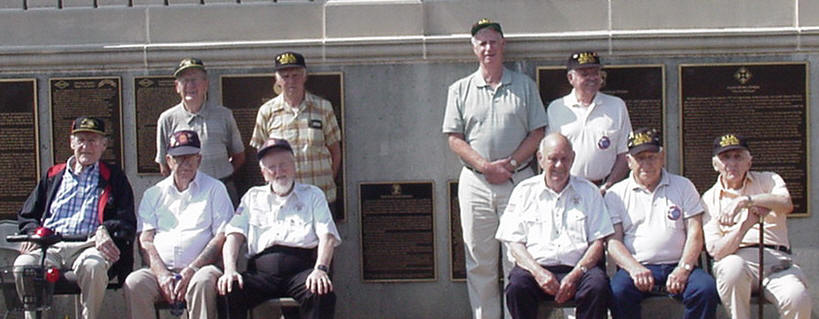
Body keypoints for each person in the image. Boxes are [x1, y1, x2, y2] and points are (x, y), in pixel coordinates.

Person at [442, 18, 547, 319]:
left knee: (517, 260)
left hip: (519, 181)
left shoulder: (524, 86)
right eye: (482, 43)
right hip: (476, 183)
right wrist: (485, 166)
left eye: (493, 41)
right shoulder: (459, 89)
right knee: (479, 262)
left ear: (503, 45)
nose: (488, 48)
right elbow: (454, 138)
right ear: (474, 48)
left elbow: (537, 132)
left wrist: (511, 164)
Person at [15, 116, 136, 319]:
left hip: (89, 246)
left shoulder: (114, 177)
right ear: (71, 143)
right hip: (50, 246)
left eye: (92, 141)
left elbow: (126, 219)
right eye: (81, 140)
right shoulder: (53, 175)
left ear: (104, 145)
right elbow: (27, 215)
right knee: (23, 266)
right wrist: (32, 234)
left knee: (93, 267)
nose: (86, 147)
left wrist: (105, 229)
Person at [218, 138, 341, 319]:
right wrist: (230, 270)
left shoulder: (313, 195)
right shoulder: (252, 197)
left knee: (321, 291)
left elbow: (327, 236)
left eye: (283, 165)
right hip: (261, 274)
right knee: (228, 289)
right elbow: (233, 236)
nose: (278, 172)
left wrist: (321, 269)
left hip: (301, 272)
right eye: (272, 167)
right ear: (263, 173)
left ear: (294, 165)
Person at [604, 128, 718, 319]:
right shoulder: (616, 194)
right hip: (636, 267)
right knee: (617, 292)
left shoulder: (683, 186)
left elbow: (695, 233)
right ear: (629, 161)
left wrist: (684, 268)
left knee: (705, 289)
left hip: (679, 264)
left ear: (662, 157)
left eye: (652, 157)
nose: (646, 164)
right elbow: (613, 242)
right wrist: (634, 268)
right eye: (640, 158)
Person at [496, 133, 612, 319]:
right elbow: (514, 243)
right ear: (540, 159)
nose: (559, 165)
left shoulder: (589, 192)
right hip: (535, 270)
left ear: (573, 158)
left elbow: (598, 242)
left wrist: (575, 274)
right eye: (553, 159)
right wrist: (538, 272)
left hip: (579, 270)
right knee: (517, 287)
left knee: (597, 286)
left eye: (564, 159)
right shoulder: (523, 192)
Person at [124, 130, 233, 319]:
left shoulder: (215, 189)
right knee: (135, 283)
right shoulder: (154, 194)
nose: (186, 163)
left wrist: (192, 269)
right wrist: (161, 274)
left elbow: (220, 236)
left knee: (203, 281)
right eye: (179, 158)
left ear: (199, 160)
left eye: (191, 157)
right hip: (161, 272)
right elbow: (146, 240)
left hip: (201, 269)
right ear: (168, 160)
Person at [701, 134, 812, 319]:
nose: (732, 163)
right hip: (738, 261)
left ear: (749, 162)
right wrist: (744, 226)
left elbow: (786, 203)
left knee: (797, 297)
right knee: (731, 268)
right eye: (725, 157)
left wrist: (745, 201)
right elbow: (717, 251)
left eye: (738, 157)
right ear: (715, 164)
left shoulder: (769, 180)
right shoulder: (708, 199)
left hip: (777, 263)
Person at [250, 51, 342, 207]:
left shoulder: (323, 108)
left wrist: (327, 181)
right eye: (285, 76)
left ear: (305, 77)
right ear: (277, 79)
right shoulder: (267, 111)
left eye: (296, 75)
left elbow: (335, 151)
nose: (291, 81)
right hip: (283, 200)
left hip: (320, 197)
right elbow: (262, 158)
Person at [156, 57, 246, 207]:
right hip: (185, 194)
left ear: (205, 84)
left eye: (195, 80)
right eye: (185, 80)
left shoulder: (224, 115)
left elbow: (239, 156)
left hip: (223, 188)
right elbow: (164, 166)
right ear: (177, 86)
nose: (190, 85)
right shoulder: (167, 119)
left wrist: (220, 177)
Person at [547, 51, 632, 192]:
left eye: (595, 73)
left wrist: (608, 186)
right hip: (567, 189)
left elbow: (624, 153)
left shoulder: (616, 106)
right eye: (584, 74)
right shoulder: (556, 108)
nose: (592, 78)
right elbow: (549, 155)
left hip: (606, 188)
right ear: (570, 78)